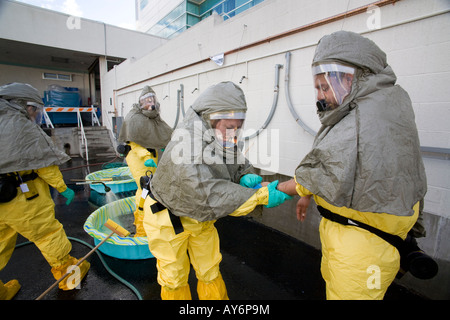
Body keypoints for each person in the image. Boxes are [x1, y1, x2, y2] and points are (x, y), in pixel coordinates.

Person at [278, 31, 429, 299]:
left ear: (348, 78)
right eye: (317, 88)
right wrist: (308, 194)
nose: (321, 97)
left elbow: (326, 167)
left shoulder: (363, 118)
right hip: (363, 236)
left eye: (324, 87)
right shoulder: (384, 104)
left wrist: (277, 189)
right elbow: (348, 165)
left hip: (361, 248)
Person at [142, 81, 292, 300]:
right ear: (210, 118)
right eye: (229, 127)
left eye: (238, 128)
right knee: (174, 278)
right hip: (166, 217)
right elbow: (208, 194)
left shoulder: (218, 134)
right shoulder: (188, 142)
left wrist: (243, 175)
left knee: (210, 270)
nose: (233, 134)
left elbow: (234, 160)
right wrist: (260, 196)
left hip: (200, 219)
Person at [0, 83, 90, 300]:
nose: (35, 115)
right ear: (23, 105)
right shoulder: (21, 127)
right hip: (23, 198)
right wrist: (63, 188)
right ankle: (68, 278)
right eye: (34, 110)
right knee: (48, 235)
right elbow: (45, 165)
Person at [118, 86, 173, 237]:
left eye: (152, 99)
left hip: (152, 158)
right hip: (138, 158)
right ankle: (141, 228)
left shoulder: (154, 117)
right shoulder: (134, 117)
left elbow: (160, 134)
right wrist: (146, 157)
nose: (150, 103)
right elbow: (134, 141)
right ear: (141, 102)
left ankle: (152, 221)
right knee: (144, 188)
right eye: (147, 100)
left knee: (152, 187)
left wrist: (164, 147)